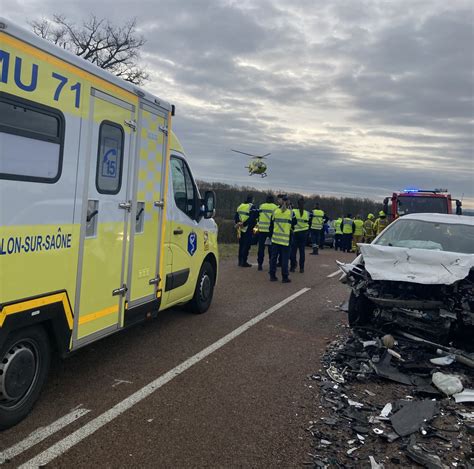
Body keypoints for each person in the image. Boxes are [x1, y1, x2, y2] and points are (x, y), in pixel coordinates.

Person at [269, 195, 296, 283]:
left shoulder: (275, 211)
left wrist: (271, 235)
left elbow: (271, 225)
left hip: (275, 239)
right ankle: (285, 277)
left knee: (273, 258)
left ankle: (272, 275)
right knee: (285, 259)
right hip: (285, 239)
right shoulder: (291, 213)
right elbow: (294, 223)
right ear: (288, 202)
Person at [235, 195, 258, 267]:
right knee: (246, 246)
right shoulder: (252, 207)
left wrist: (239, 223)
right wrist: (244, 224)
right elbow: (252, 218)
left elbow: (236, 216)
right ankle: (244, 262)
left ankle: (239, 261)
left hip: (240, 228)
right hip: (247, 229)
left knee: (241, 245)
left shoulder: (240, 206)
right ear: (252, 200)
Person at [257, 194, 278, 271]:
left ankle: (260, 264)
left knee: (261, 248)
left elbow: (258, 216)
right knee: (271, 249)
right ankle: (271, 264)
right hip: (271, 231)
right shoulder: (275, 207)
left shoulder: (261, 206)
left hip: (262, 230)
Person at [290, 197, 310, 273]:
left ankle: (292, 267)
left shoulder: (293, 211)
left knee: (293, 251)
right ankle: (302, 268)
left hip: (295, 233)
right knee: (302, 251)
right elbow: (309, 222)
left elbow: (291, 221)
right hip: (304, 233)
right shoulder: (307, 213)